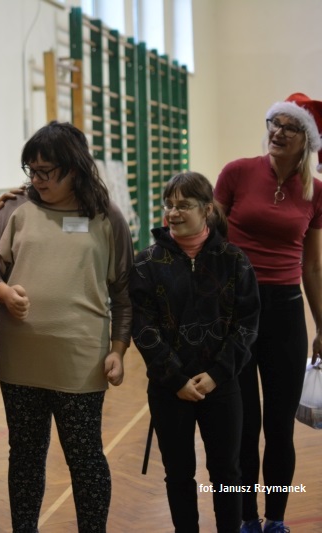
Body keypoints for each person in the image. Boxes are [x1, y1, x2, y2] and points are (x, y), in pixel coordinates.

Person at [0, 120, 133, 533]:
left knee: (85, 459)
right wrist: (2, 293)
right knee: (25, 457)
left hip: (81, 364)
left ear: (74, 169)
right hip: (21, 363)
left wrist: (118, 350)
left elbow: (125, 294)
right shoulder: (15, 209)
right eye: (31, 170)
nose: (36, 180)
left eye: (45, 171)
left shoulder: (107, 217)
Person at [214, 93, 322, 533]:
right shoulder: (237, 172)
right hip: (236, 310)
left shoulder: (316, 191)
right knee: (243, 425)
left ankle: (275, 519)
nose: (277, 131)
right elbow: (210, 240)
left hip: (286, 314)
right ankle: (246, 519)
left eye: (289, 126)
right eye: (273, 123)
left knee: (280, 427)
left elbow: (312, 266)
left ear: (306, 139)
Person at [130, 172, 260, 533]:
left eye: (183, 205)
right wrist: (176, 379)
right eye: (169, 205)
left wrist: (217, 374)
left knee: (227, 473)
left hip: (222, 386)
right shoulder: (146, 263)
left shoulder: (234, 260)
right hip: (169, 389)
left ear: (207, 210)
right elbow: (143, 328)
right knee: (178, 474)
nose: (173, 213)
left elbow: (247, 324)